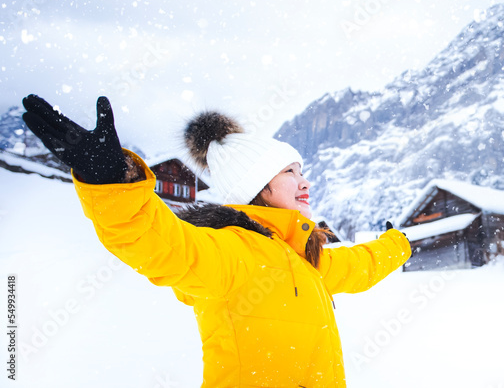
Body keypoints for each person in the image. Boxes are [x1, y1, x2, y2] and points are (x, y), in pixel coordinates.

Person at [20, 94, 411, 387]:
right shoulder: (231, 252)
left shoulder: (307, 257)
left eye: (301, 170)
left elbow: (361, 264)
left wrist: (398, 243)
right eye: (290, 171)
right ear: (257, 186)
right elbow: (158, 243)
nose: (305, 180)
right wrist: (112, 181)